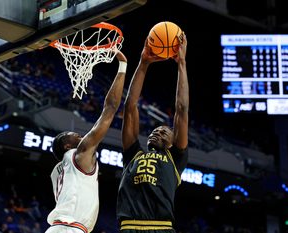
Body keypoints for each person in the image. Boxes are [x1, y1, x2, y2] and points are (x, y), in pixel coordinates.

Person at [45, 50, 128, 233]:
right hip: (69, 229)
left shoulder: (59, 171)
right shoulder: (78, 154)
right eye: (75, 135)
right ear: (68, 146)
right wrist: (122, 66)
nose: (81, 136)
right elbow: (110, 108)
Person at [116, 32, 189, 232]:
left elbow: (182, 110)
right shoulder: (133, 154)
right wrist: (143, 63)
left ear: (174, 141)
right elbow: (130, 106)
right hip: (128, 227)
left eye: (164, 131)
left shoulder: (175, 158)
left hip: (161, 227)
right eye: (155, 130)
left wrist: (181, 64)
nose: (157, 132)